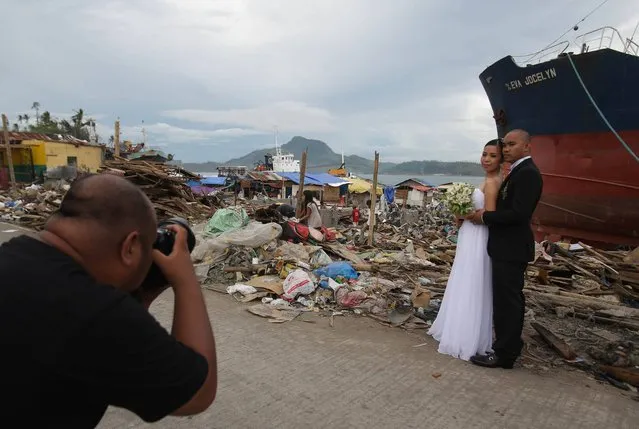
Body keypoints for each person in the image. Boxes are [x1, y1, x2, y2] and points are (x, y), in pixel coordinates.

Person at [0, 174, 217, 428]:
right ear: (130, 246)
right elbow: (196, 394)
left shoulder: (13, 253)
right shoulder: (95, 314)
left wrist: (142, 290)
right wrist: (185, 280)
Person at [467, 129, 543, 369]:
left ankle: (505, 354)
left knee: (508, 301)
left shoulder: (528, 173)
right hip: (505, 247)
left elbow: (519, 213)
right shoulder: (518, 172)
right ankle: (505, 348)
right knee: (504, 300)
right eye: (505, 145)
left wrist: (486, 218)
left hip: (511, 247)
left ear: (527, 147)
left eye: (511, 145)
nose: (507, 149)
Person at [427, 139, 503, 361]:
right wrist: (461, 213)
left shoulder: (492, 182)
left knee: (471, 280)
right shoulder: (489, 179)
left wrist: (465, 214)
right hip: (470, 234)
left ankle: (465, 335)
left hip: (478, 235)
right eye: (484, 154)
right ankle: (460, 328)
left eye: (493, 155)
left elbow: (488, 215)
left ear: (501, 160)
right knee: (465, 278)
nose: (486, 159)